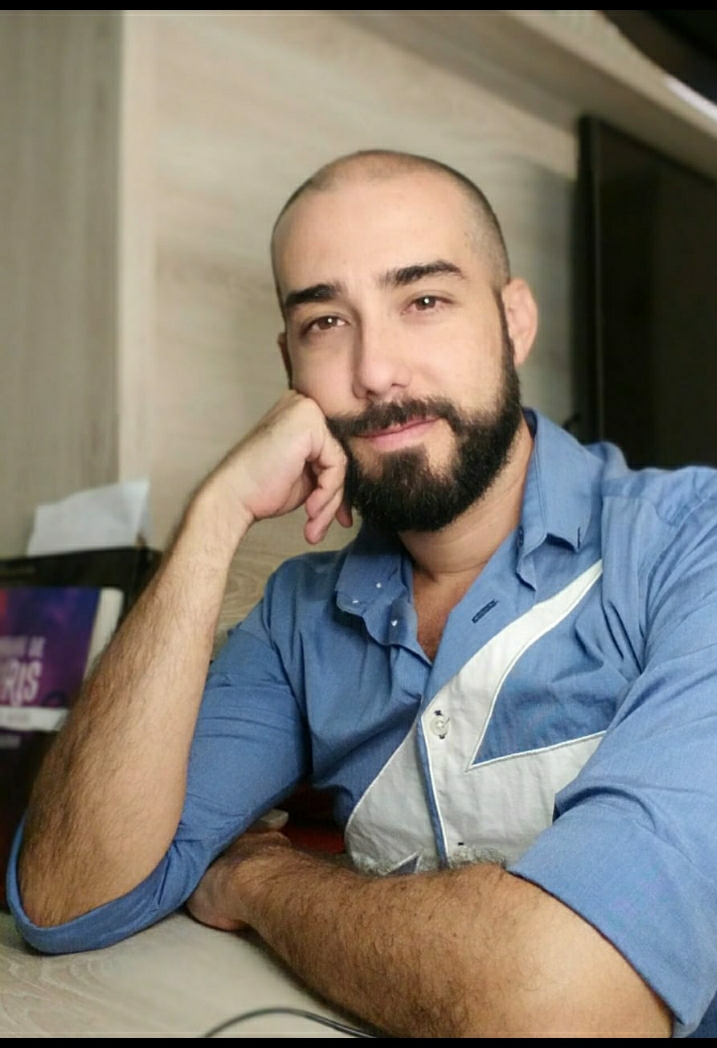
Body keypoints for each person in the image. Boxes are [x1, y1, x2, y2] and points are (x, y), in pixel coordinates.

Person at [7, 148, 717, 1037]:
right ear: (289, 366)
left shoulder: (692, 546)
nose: (376, 371)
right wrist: (213, 518)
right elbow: (67, 898)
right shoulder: (299, 617)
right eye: (326, 322)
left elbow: (564, 1012)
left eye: (423, 301)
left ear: (513, 321)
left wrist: (260, 880)